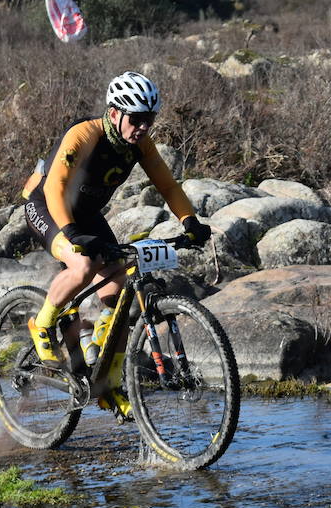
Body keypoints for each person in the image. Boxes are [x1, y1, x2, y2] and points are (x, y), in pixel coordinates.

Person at [20, 70, 211, 415]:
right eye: (136, 119)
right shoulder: (84, 134)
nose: (142, 128)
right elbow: (54, 187)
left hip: (87, 216)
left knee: (119, 296)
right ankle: (43, 322)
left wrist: (190, 221)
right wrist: (70, 232)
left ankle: (106, 383)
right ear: (113, 113)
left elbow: (168, 186)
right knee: (83, 264)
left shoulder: (140, 145)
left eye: (148, 120)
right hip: (47, 205)